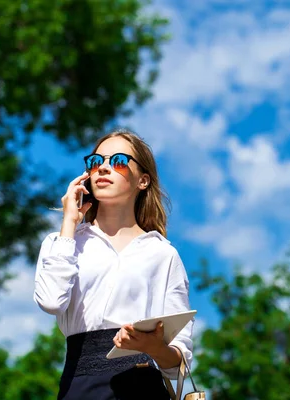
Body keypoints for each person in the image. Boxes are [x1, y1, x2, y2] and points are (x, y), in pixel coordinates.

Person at [34, 128, 194, 400]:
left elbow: (178, 363)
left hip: (144, 388)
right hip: (80, 386)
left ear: (143, 180)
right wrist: (69, 222)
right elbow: (51, 302)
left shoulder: (163, 254)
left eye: (118, 161)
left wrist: (154, 347)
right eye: (96, 162)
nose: (104, 168)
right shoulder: (63, 241)